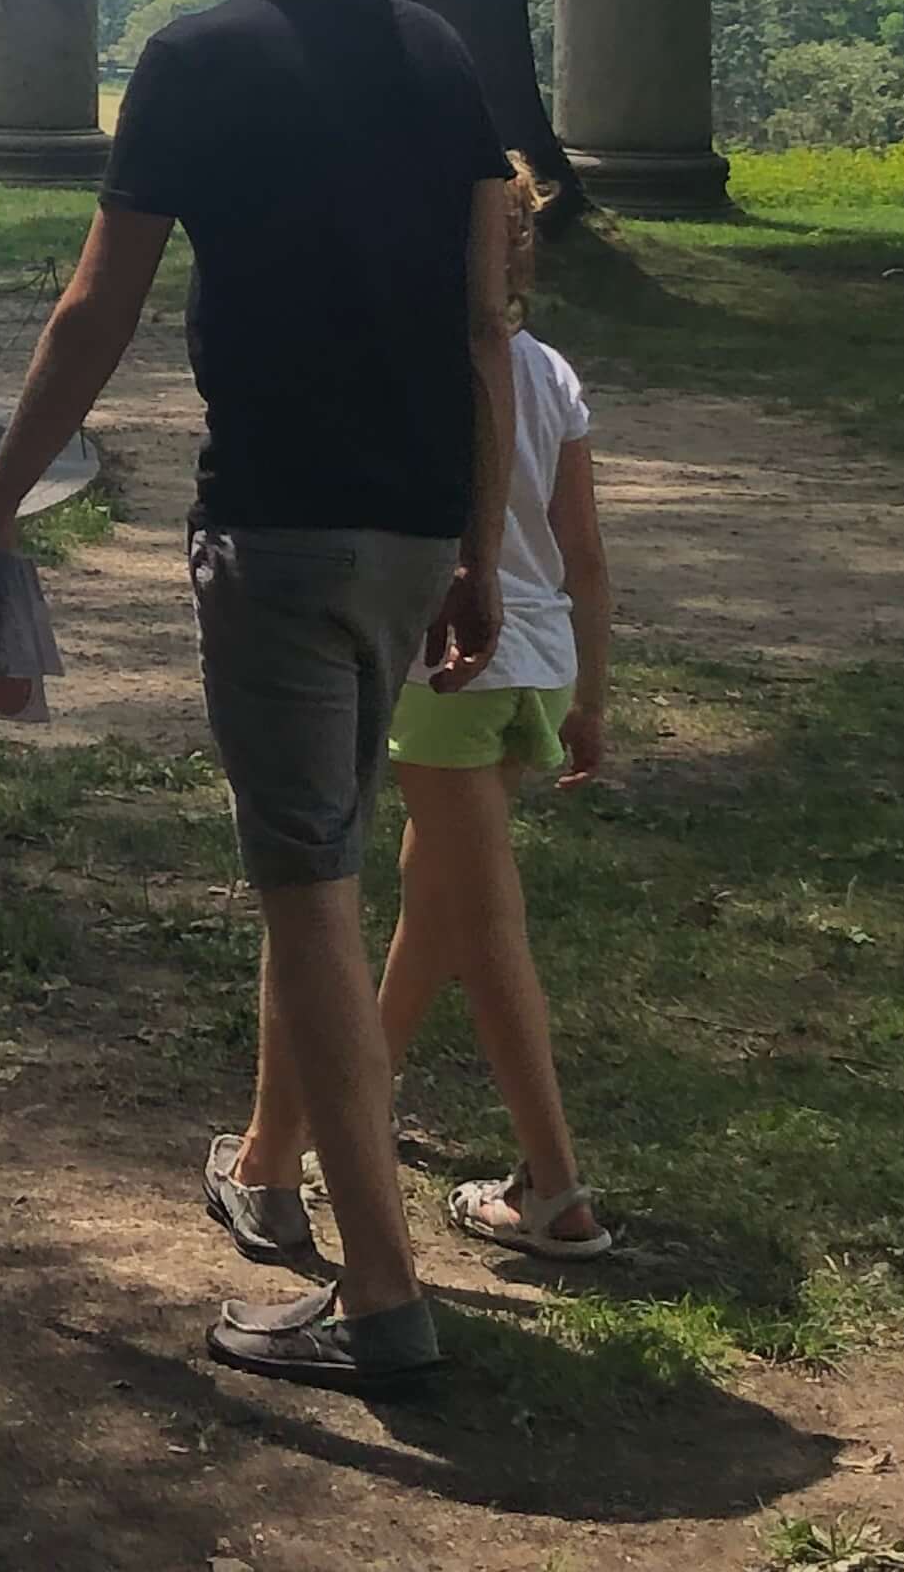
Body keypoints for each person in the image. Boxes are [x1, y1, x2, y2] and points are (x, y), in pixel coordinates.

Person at [0, 0, 516, 1390]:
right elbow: (483, 325)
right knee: (318, 852)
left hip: (275, 529)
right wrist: (481, 546)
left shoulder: (195, 56)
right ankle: (264, 1167)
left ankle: (385, 1293)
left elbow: (92, 310)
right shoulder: (438, 54)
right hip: (414, 529)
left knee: (305, 880)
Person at [237, 155, 617, 1257]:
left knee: (486, 924)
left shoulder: (429, 373)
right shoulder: (550, 373)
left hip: (457, 671)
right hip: (538, 673)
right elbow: (584, 552)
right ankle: (350, 1104)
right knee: (436, 894)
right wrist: (593, 695)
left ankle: (556, 1188)